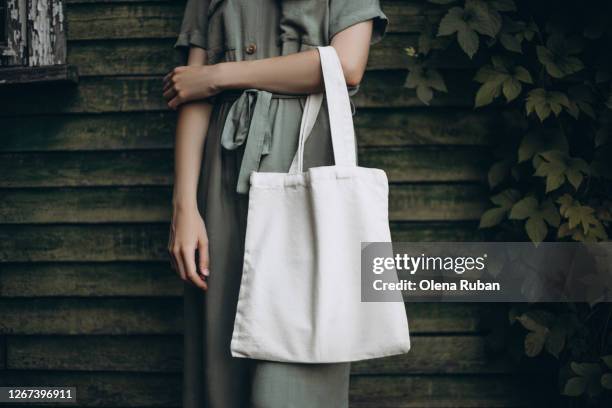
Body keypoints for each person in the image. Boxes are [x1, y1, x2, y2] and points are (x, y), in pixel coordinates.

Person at [163, 1, 387, 406]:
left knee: (298, 350)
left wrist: (219, 76)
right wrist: (184, 206)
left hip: (308, 167)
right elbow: (190, 91)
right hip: (222, 178)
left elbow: (347, 64)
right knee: (220, 354)